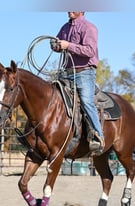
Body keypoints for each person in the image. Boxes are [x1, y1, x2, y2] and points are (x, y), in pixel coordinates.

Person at [50, 12, 104, 153]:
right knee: (52, 98)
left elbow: (90, 51)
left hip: (84, 72)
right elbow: (59, 46)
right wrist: (55, 45)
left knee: (86, 102)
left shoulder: (89, 27)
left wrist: (68, 45)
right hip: (66, 72)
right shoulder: (65, 27)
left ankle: (98, 137)